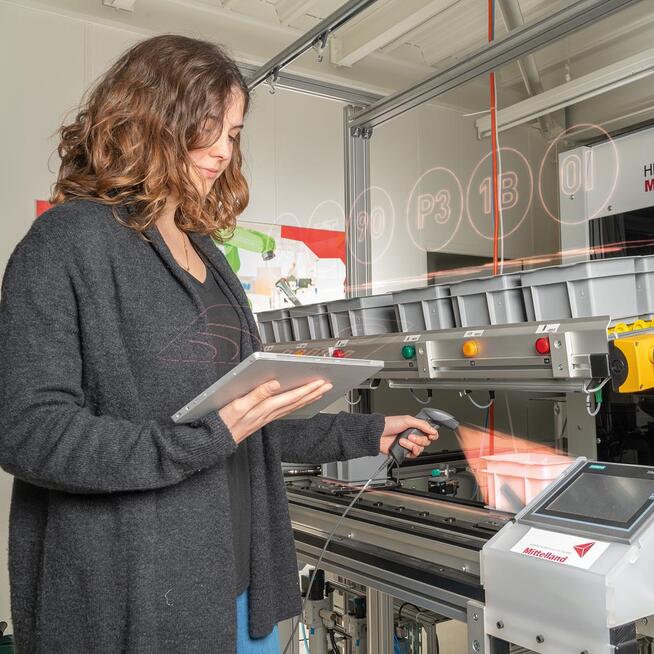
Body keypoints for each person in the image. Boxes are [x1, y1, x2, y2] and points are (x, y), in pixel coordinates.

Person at [0, 34, 438, 653]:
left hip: (235, 581)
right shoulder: (65, 244)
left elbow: (236, 425)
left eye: (232, 133)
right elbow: (30, 433)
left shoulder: (205, 252)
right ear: (147, 119)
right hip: (137, 598)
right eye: (205, 126)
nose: (220, 150)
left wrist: (363, 434)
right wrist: (203, 438)